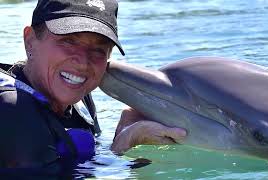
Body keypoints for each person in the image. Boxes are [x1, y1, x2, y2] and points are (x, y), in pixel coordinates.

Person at [0, 0, 186, 172]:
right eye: (68, 41)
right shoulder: (11, 107)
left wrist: (125, 132)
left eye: (98, 49)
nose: (83, 63)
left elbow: (85, 160)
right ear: (30, 41)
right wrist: (126, 143)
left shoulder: (78, 97)